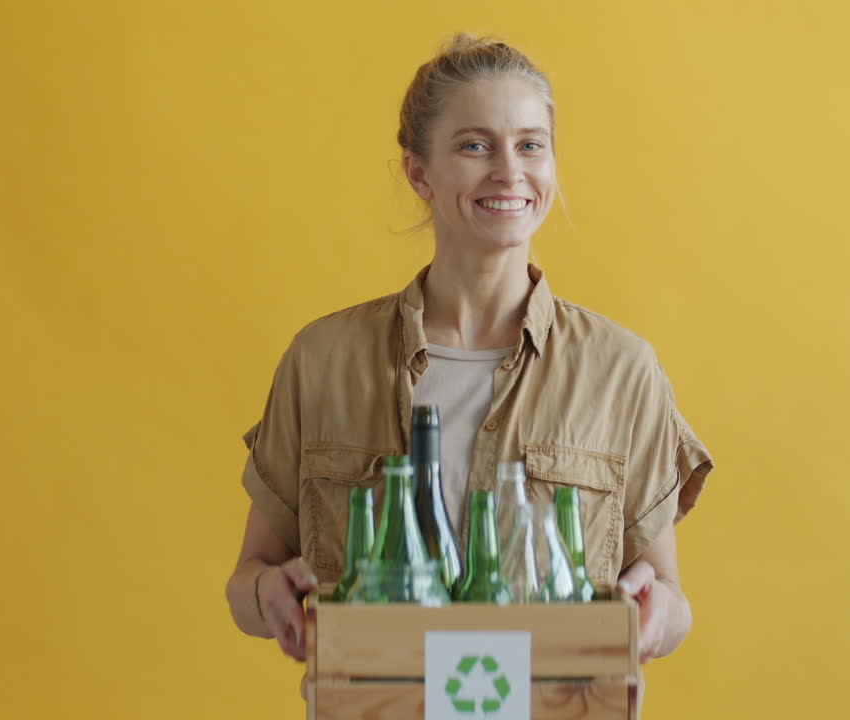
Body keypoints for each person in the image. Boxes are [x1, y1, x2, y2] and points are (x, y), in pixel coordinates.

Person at [226, 33, 713, 669]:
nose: (509, 171)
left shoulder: (620, 370)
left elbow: (670, 597)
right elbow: (249, 578)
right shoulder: (323, 360)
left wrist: (657, 612)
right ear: (419, 173)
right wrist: (267, 593)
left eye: (531, 145)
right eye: (475, 146)